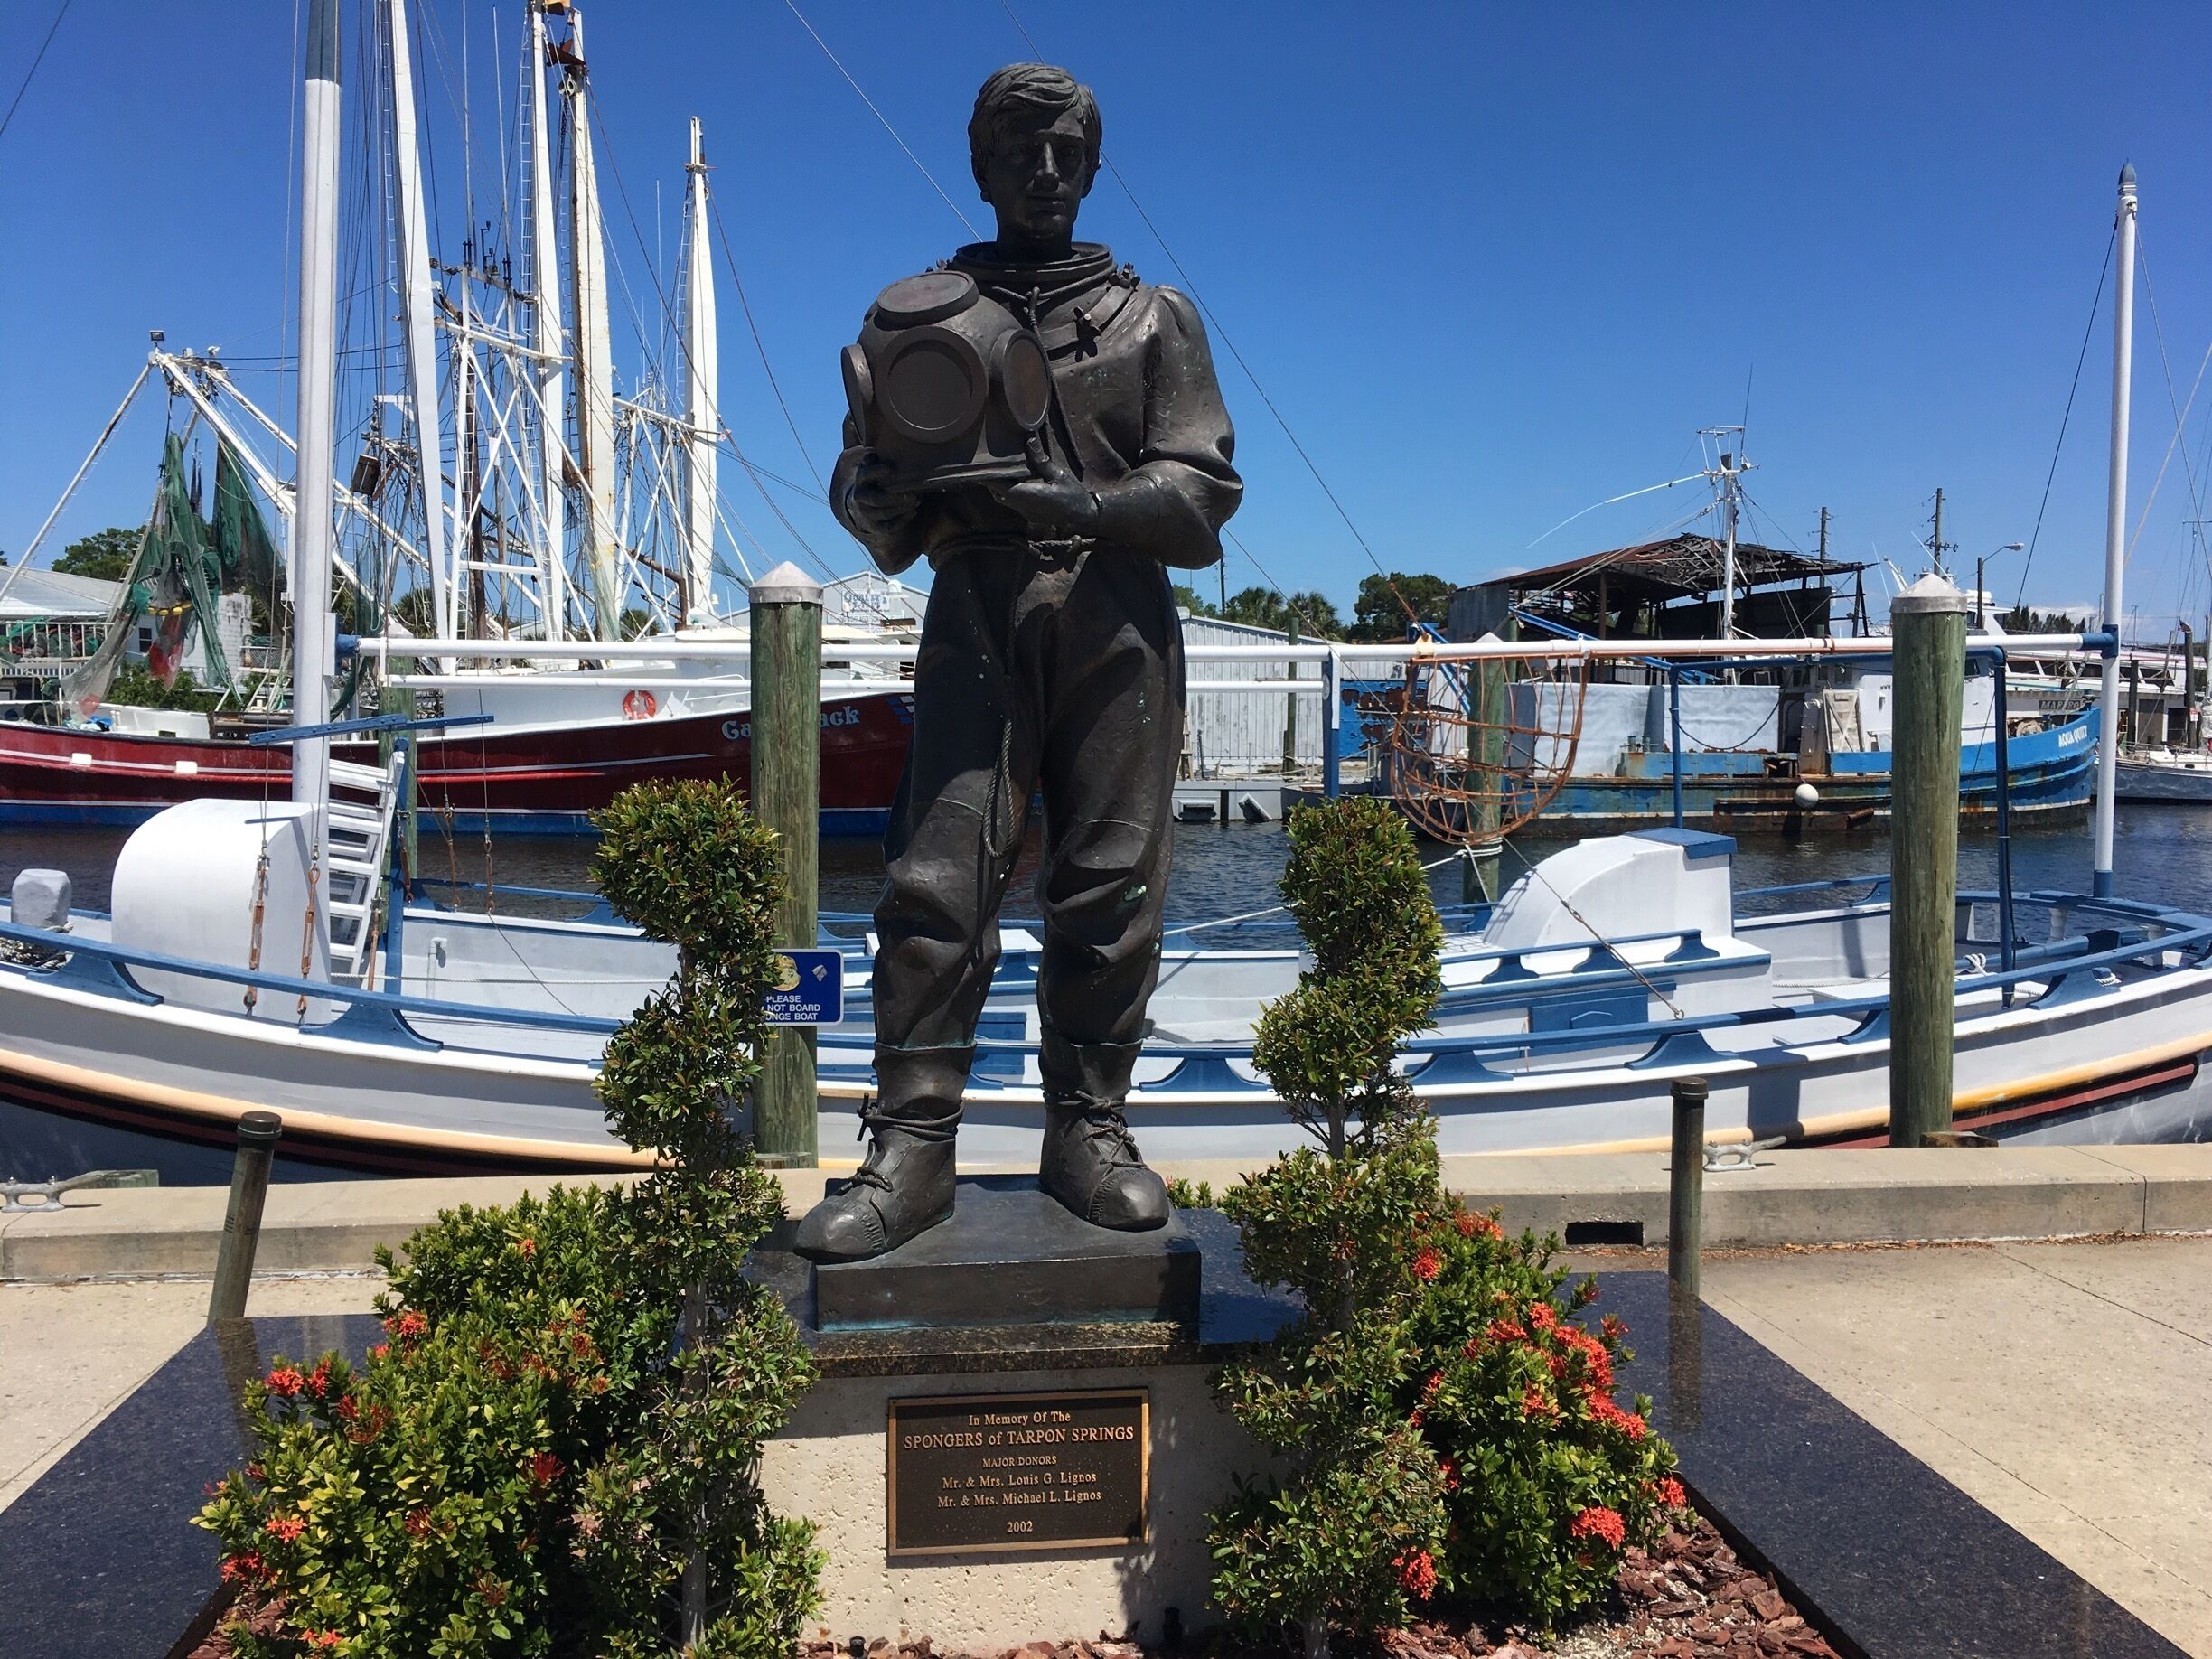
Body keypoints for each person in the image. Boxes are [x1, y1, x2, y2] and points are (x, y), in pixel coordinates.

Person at [795, 62, 1242, 1261]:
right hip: (977, 606)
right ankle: (912, 1147)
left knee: (1109, 883)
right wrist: (871, 488)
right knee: (935, 876)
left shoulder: (1155, 322)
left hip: (1115, 619)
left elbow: (1199, 504)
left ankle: (1089, 1128)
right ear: (981, 163)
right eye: (1020, 150)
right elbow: (883, 520)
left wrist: (1084, 505)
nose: (1045, 173)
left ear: (1094, 168)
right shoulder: (921, 321)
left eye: (1067, 152)